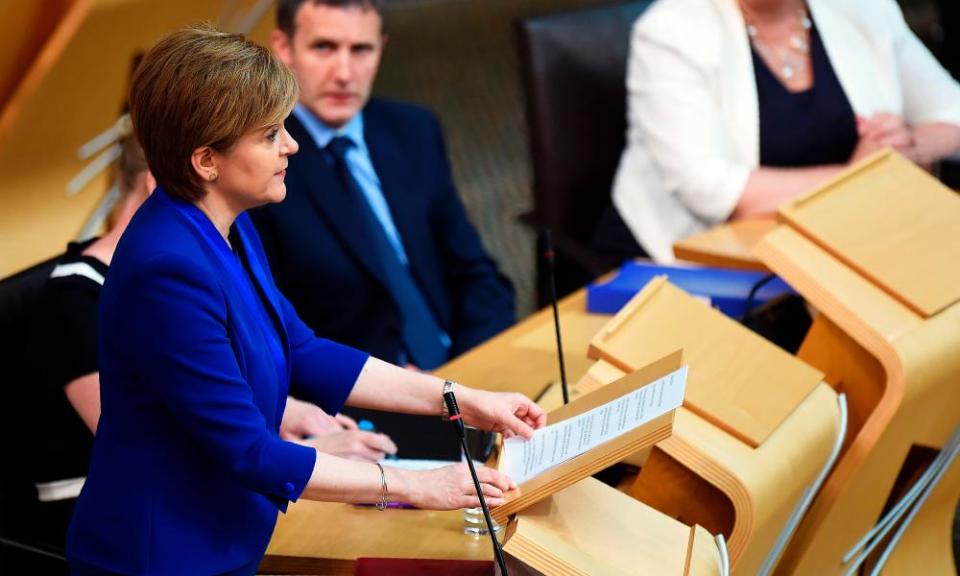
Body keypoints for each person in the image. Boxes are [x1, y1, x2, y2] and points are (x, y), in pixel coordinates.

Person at [66, 25, 545, 575]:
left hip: (224, 535)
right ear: (206, 160)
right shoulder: (166, 270)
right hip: (161, 557)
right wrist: (415, 486)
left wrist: (460, 398)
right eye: (270, 135)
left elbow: (302, 350)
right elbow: (250, 449)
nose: (291, 145)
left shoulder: (226, 221)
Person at [27, 130, 396, 553]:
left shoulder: (219, 246)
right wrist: (311, 450)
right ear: (161, 181)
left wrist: (291, 410)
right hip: (131, 523)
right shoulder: (76, 300)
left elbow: (258, 363)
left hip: (209, 500)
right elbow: (151, 426)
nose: (289, 147)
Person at [251, 0, 515, 373]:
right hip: (362, 397)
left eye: (361, 50)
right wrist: (408, 391)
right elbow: (273, 334)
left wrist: (466, 372)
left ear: (381, 49)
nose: (344, 73)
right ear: (283, 48)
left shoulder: (414, 129)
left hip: (459, 364)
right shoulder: (261, 165)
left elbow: (475, 273)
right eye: (323, 47)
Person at [610, 0, 960, 263]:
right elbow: (716, 193)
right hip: (695, 268)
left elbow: (952, 114)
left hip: (842, 244)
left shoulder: (861, 7)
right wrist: (861, 177)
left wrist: (909, 146)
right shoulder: (671, 32)